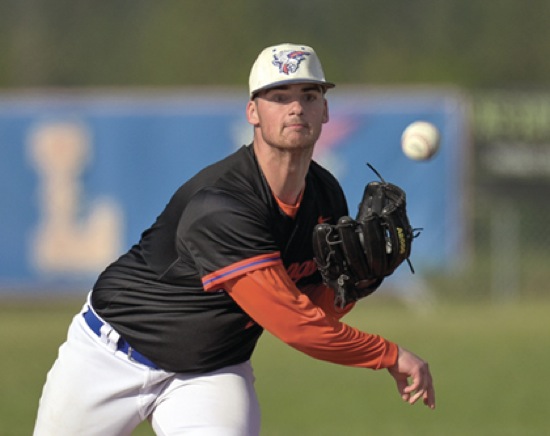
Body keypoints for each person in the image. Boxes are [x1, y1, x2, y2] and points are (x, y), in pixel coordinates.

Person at [34, 42, 435, 436]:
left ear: (325, 110)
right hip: (109, 357)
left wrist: (359, 283)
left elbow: (314, 308)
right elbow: (294, 325)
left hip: (211, 371)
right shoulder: (222, 204)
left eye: (309, 96)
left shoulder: (324, 194)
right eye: (279, 96)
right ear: (253, 112)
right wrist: (388, 354)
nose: (296, 107)